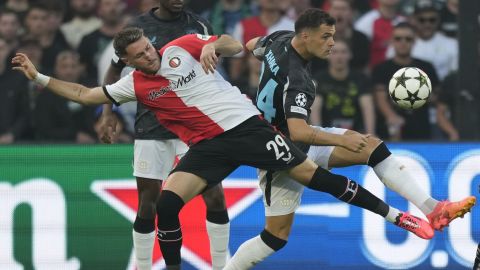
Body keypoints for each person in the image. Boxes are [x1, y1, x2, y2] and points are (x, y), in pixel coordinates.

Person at [13, 27, 444, 270]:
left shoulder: (182, 46)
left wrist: (216, 49)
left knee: (317, 180)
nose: (150, 56)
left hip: (248, 128)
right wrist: (38, 78)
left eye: (148, 47)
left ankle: (398, 216)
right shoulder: (134, 84)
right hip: (209, 147)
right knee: (165, 204)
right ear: (127, 61)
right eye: (141, 56)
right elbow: (87, 94)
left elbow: (235, 44)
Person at [224, 9, 476, 269]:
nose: (332, 43)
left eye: (332, 36)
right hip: (280, 156)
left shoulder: (279, 39)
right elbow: (298, 130)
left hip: (298, 139)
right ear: (305, 36)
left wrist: (264, 59)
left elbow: (253, 44)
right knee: (274, 237)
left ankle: (433, 209)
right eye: (325, 37)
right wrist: (341, 141)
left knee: (373, 147)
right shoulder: (299, 79)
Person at [97, 1, 231, 269]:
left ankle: (221, 266)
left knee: (214, 196)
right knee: (148, 203)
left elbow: (213, 70)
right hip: (151, 128)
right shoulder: (137, 29)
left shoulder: (199, 26)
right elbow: (114, 72)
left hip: (193, 128)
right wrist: (107, 112)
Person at [372, 22, 439, 141]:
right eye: (398, 39)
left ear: (414, 41)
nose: (403, 42)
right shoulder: (381, 69)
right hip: (389, 131)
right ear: (391, 41)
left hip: (421, 129)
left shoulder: (427, 67)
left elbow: (436, 97)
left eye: (408, 39)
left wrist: (417, 93)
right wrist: (392, 117)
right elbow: (380, 99)